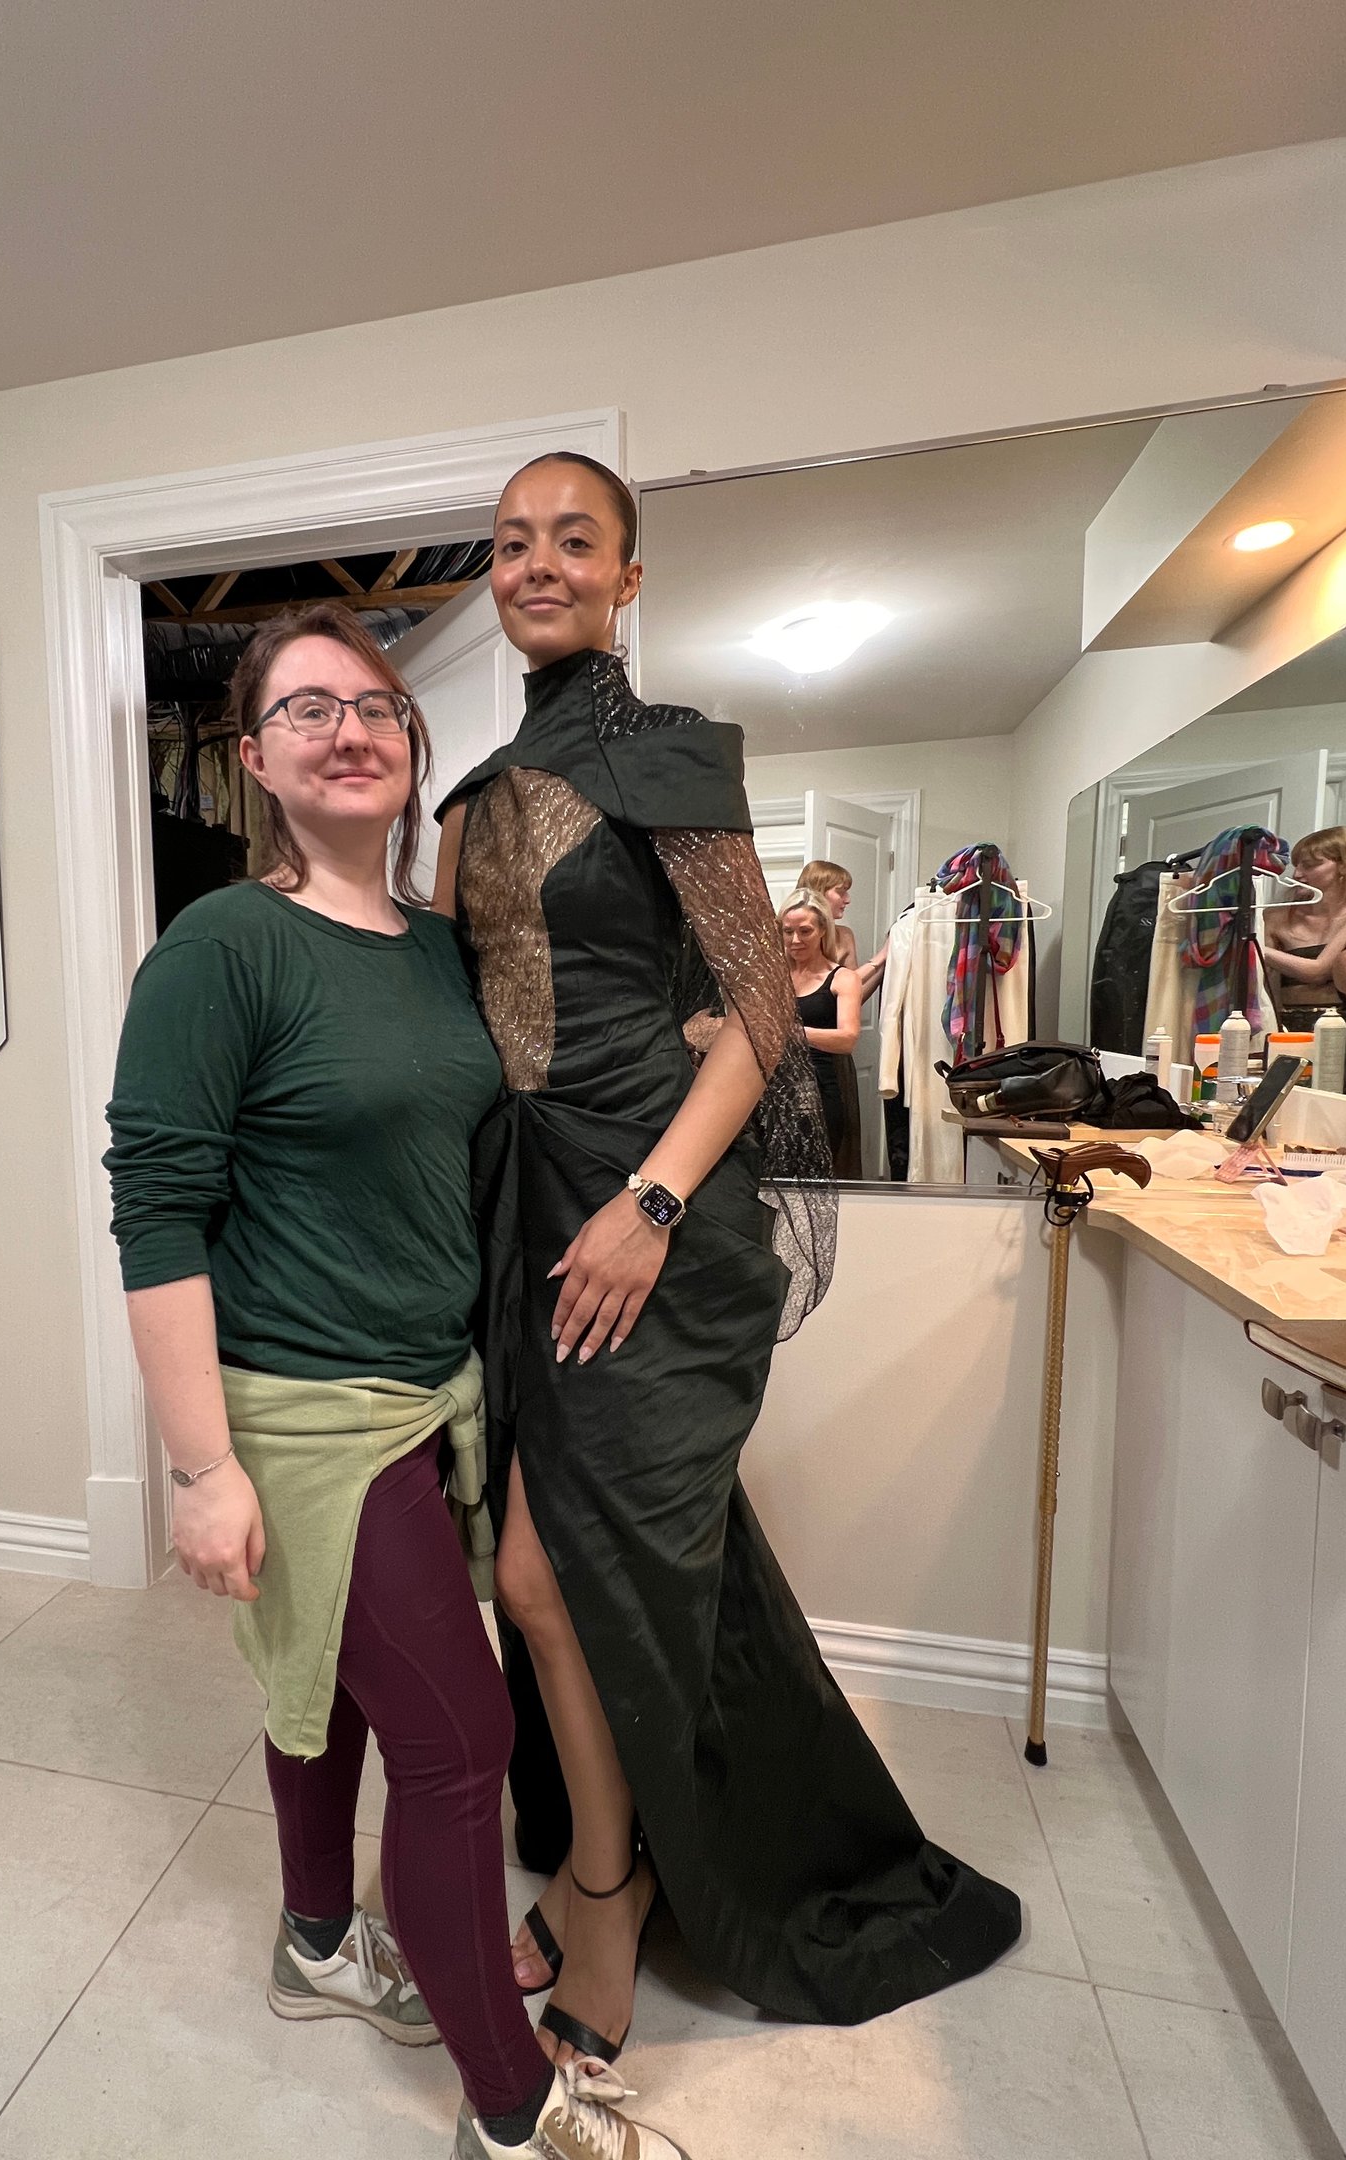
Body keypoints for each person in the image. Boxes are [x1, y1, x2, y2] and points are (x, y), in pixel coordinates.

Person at [434, 453, 1021, 2074]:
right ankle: (607, 1863)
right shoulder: (472, 796)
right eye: (512, 543)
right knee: (543, 1581)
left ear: (629, 578)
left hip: (653, 1229)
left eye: (576, 541)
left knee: (564, 1580)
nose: (539, 565)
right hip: (526, 1220)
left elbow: (762, 1010)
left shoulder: (671, 759)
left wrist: (653, 1205)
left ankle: (607, 1896)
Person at [106, 603, 688, 2160]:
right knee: (459, 1745)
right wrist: (201, 1470)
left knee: (335, 1698)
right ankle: (515, 2110)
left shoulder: (443, 954)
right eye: (308, 710)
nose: (350, 730)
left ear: (411, 743)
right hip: (304, 1414)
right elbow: (157, 1210)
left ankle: (316, 1942)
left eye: (375, 706)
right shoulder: (222, 947)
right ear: (253, 762)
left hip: (434, 1391)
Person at [781, 890, 863, 1178]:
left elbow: (847, 1039)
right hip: (772, 1092)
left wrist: (792, 1033)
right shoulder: (775, 977)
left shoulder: (843, 978)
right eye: (788, 931)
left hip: (820, 1092)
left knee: (815, 1176)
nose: (795, 940)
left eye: (805, 931)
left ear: (822, 930)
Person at [1264, 825, 1346, 1023]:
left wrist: (1256, 949)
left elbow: (1318, 971)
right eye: (1296, 865)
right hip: (1287, 1027)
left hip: (1340, 1027)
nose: (1297, 875)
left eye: (1309, 865)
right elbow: (1264, 991)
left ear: (1344, 866)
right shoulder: (1275, 918)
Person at [795, 857, 888, 1002]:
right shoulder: (791, 938)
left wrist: (885, 962)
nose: (847, 899)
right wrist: (880, 958)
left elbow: (855, 995)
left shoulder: (844, 936)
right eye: (840, 892)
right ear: (819, 892)